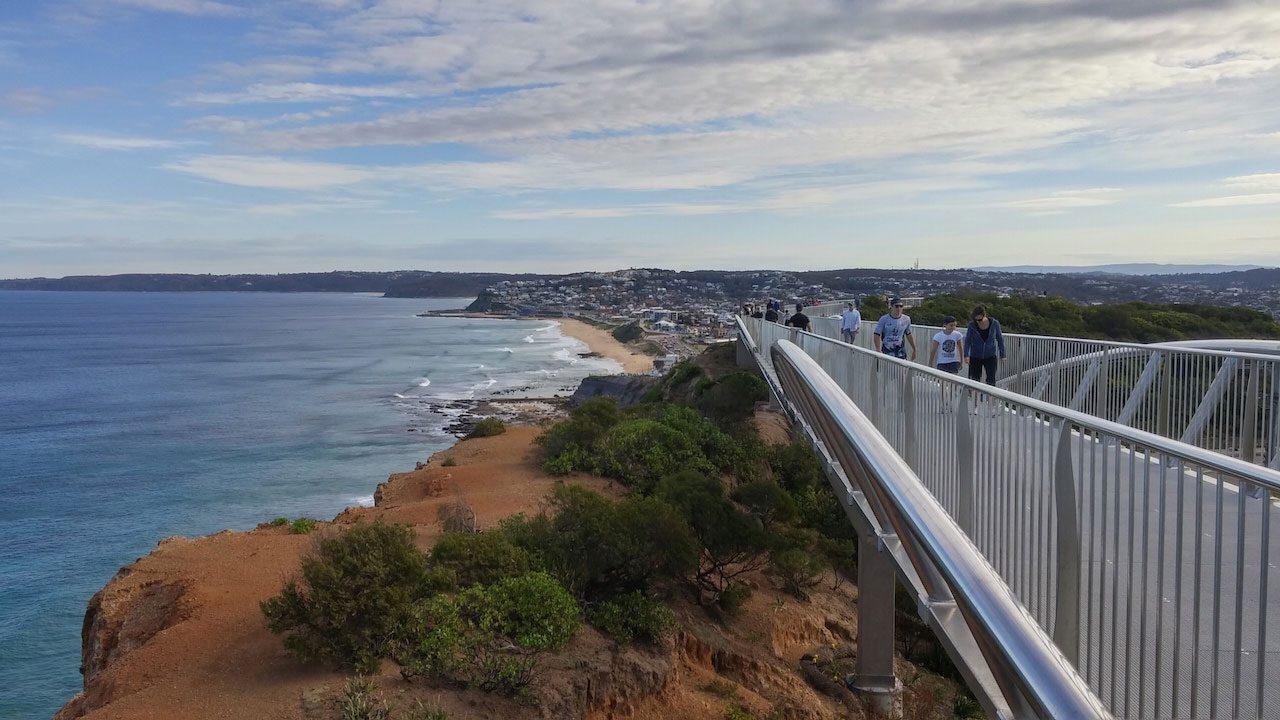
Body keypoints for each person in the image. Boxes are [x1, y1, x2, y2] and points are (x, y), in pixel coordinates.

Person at [964, 304, 1005, 385]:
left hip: (990, 356)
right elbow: (968, 340)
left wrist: (1002, 355)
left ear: (984, 315)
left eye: (980, 320)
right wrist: (966, 355)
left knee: (991, 379)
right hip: (975, 356)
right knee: (975, 380)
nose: (978, 322)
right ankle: (975, 397)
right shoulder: (972, 325)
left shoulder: (995, 323)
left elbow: (1000, 339)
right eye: (976, 320)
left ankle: (990, 397)